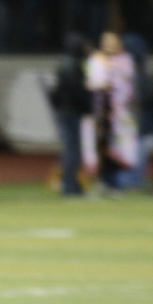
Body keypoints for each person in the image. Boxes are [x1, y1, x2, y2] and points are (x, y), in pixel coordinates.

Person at [87, 30, 140, 193]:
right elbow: (93, 82)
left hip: (120, 112)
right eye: (105, 43)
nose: (107, 46)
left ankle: (117, 183)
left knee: (120, 148)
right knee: (102, 147)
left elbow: (128, 85)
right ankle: (104, 181)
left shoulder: (125, 60)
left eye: (110, 42)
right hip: (101, 111)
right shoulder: (97, 60)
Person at [49, 34, 93, 196]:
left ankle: (72, 183)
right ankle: (69, 185)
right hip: (73, 112)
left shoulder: (63, 64)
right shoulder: (76, 65)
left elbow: (55, 93)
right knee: (73, 150)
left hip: (65, 111)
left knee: (72, 149)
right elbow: (78, 91)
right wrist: (88, 107)